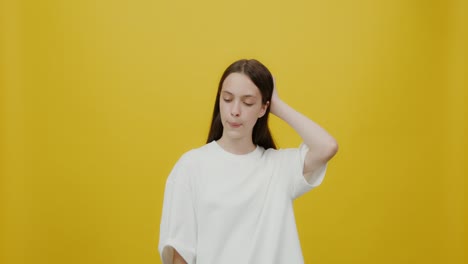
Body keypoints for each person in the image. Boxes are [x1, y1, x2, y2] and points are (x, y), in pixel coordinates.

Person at [158, 59, 338, 264]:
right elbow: (180, 254)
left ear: (263, 109)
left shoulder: (278, 167)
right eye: (227, 99)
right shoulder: (191, 166)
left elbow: (326, 147)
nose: (235, 110)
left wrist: (277, 105)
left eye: (248, 102)